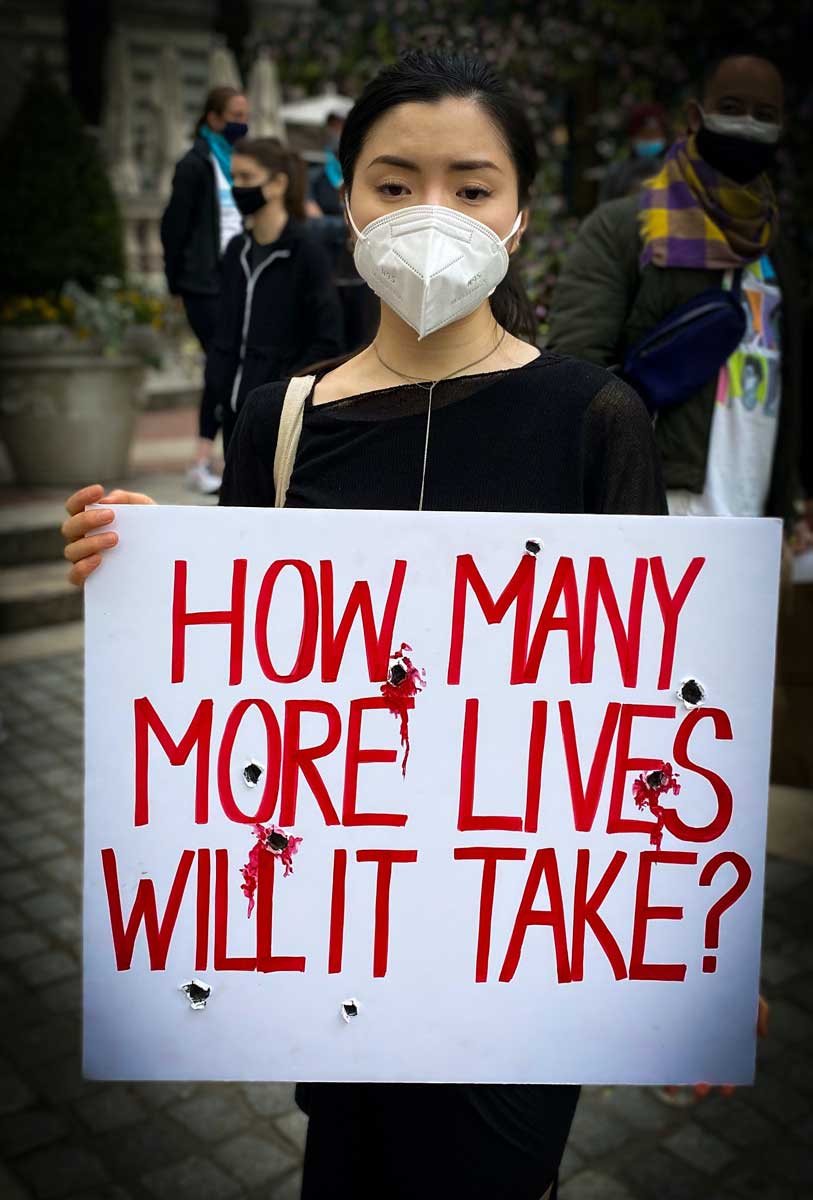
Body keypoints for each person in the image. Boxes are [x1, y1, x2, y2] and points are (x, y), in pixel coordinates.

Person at [63, 49, 764, 1199]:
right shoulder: (278, 421)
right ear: (347, 199)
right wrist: (146, 576)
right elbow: (245, 695)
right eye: (395, 183)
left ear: (521, 214)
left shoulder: (596, 420)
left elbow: (649, 716)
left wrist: (695, 940)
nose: (431, 213)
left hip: (520, 970)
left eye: (471, 186)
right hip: (338, 951)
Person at [548, 51, 806, 533]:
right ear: (695, 117)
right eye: (732, 108)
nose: (748, 125)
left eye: (765, 115)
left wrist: (787, 509)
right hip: (659, 510)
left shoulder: (776, 247)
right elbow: (574, 370)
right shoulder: (627, 228)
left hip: (756, 522)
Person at [205, 136, 344, 451]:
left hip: (279, 416)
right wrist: (211, 406)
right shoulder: (236, 250)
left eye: (247, 177)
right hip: (234, 414)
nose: (237, 188)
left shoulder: (307, 253)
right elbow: (223, 336)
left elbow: (327, 339)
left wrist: (282, 391)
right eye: (233, 178)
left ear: (278, 184)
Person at [160, 85, 250, 492]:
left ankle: (218, 460)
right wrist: (175, 283)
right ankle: (208, 462)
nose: (242, 123)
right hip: (203, 283)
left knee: (225, 367)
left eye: (245, 116)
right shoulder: (194, 164)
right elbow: (174, 227)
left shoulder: (237, 161)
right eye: (235, 115)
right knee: (222, 365)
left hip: (235, 277)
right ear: (213, 118)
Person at [307, 112, 380, 352]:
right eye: (334, 128)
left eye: (342, 127)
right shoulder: (316, 178)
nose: (338, 134)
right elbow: (312, 223)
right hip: (330, 269)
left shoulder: (369, 176)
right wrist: (349, 223)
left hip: (364, 276)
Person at [598, 102, 670, 203]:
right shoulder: (617, 172)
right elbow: (604, 208)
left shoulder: (675, 169)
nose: (650, 139)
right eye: (644, 135)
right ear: (631, 138)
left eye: (655, 134)